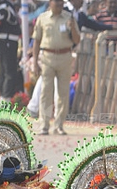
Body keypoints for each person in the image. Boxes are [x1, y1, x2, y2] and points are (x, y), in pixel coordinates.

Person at [32, 0, 79, 135]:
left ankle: (59, 125)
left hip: (65, 56)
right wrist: (35, 62)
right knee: (46, 92)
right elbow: (36, 41)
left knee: (63, 93)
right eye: (56, 1)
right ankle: (44, 125)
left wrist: (73, 28)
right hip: (48, 57)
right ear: (50, 2)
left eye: (61, 1)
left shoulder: (69, 18)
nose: (59, 4)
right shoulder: (43, 18)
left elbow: (77, 40)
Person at [0, 0, 21, 99]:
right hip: (6, 41)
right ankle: (4, 102)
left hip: (10, 41)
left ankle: (3, 99)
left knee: (6, 71)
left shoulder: (7, 6)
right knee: (9, 72)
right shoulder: (3, 8)